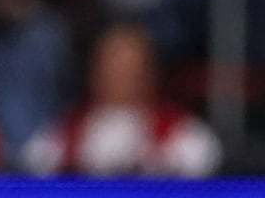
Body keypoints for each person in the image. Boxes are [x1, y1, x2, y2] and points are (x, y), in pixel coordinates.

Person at [24, 21, 219, 177]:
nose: (121, 78)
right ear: (93, 72)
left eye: (130, 70)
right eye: (113, 68)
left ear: (150, 73)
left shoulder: (188, 139)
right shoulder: (55, 141)